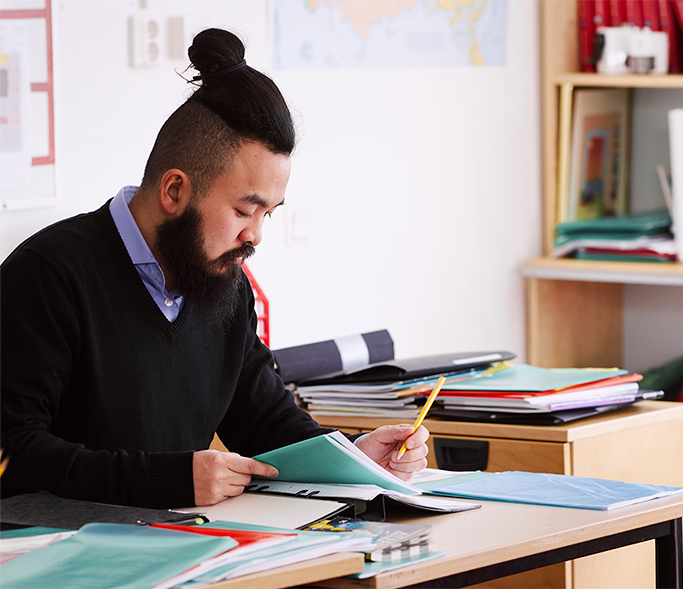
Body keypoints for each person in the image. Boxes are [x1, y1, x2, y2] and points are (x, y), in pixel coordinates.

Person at [0, 28, 429, 509]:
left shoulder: (223, 284)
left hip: (183, 552)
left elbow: (267, 424)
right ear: (175, 191)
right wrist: (164, 479)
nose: (256, 236)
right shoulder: (47, 274)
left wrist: (354, 458)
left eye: (268, 213)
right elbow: (11, 452)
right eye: (245, 211)